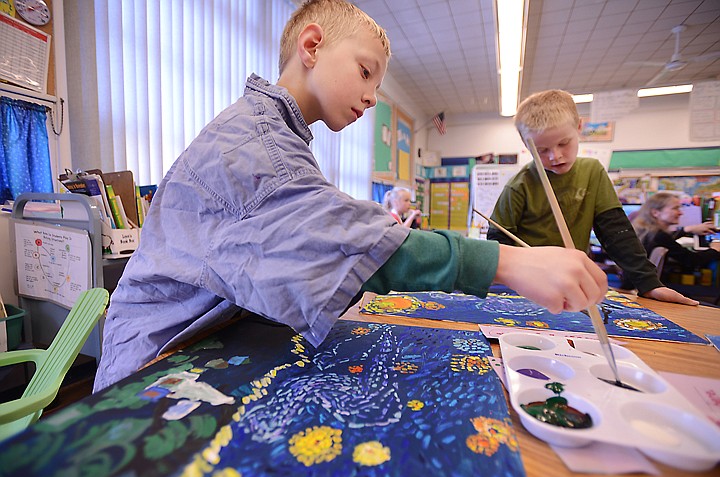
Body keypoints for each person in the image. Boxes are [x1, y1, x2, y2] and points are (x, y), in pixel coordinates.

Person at [93, 0, 608, 392]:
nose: (371, 96)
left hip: (204, 345)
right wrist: (509, 264)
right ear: (311, 47)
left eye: (378, 84)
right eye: (365, 72)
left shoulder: (280, 136)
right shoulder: (256, 143)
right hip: (154, 364)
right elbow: (343, 237)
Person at [487, 89, 697, 306]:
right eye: (542, 150)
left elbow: (616, 233)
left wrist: (649, 283)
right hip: (527, 289)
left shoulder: (592, 172)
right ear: (526, 145)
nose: (555, 156)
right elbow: (497, 243)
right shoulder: (519, 185)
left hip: (572, 285)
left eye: (563, 143)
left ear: (579, 127)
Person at [631, 192, 720, 279]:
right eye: (675, 208)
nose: (681, 213)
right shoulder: (659, 236)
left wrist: (688, 229)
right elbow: (693, 261)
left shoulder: (647, 231)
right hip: (641, 288)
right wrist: (715, 249)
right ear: (655, 213)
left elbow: (668, 240)